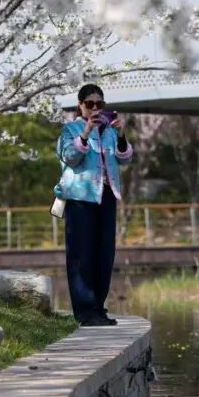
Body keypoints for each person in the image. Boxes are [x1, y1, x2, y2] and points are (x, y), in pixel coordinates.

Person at [55, 84, 134, 326]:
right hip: (80, 199)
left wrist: (121, 135)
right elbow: (69, 156)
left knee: (104, 254)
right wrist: (86, 133)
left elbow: (126, 158)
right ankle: (85, 312)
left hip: (107, 197)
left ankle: (98, 308)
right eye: (90, 104)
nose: (95, 109)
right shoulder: (70, 130)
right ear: (80, 105)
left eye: (100, 104)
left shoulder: (109, 131)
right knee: (82, 255)